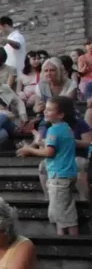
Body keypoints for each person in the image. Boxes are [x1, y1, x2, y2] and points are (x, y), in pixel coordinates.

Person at [17, 95, 79, 235]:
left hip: (59, 175)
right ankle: (67, 238)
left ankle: (64, 241)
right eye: (45, 109)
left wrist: (29, 150)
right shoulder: (66, 128)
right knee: (66, 210)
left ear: (61, 114)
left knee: (61, 213)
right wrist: (38, 142)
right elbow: (59, 145)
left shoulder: (53, 130)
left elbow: (50, 152)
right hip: (69, 172)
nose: (45, 112)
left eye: (50, 110)